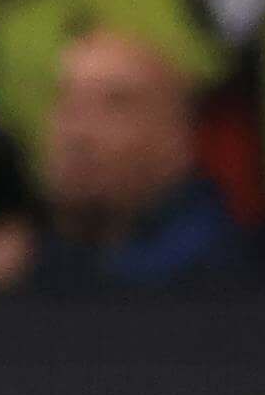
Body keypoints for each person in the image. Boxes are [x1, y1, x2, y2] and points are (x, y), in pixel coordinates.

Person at [32, 26, 253, 286]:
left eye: (116, 104)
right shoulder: (36, 249)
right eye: (65, 100)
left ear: (178, 136)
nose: (78, 132)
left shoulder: (219, 271)